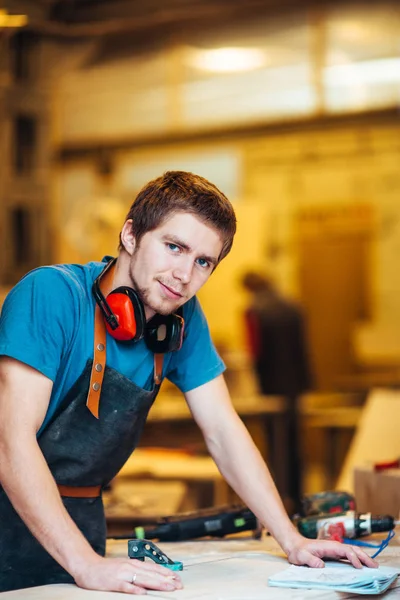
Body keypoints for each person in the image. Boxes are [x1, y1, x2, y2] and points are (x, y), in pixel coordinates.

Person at [0, 171, 376, 594]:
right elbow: (11, 442)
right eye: (174, 247)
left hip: (82, 520)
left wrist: (291, 538)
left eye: (203, 262)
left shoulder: (183, 319)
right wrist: (84, 563)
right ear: (130, 235)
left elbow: (222, 429)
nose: (183, 275)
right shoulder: (50, 295)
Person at [241, 270, 313, 512]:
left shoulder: (255, 312)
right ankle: (298, 496)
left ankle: (278, 499)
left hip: (271, 387)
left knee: (275, 444)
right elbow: (303, 350)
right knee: (294, 443)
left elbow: (255, 352)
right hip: (294, 386)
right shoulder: (293, 307)